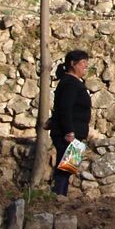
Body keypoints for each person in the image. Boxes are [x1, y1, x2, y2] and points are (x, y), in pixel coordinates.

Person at [48, 49, 93, 197]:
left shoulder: (72, 83)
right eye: (82, 64)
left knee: (68, 168)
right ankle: (58, 197)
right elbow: (65, 108)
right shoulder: (70, 84)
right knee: (64, 169)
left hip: (75, 133)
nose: (85, 68)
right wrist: (69, 131)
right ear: (72, 64)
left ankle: (61, 196)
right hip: (68, 134)